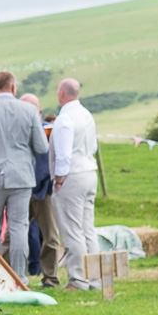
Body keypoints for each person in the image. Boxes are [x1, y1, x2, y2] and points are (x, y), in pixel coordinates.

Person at [0, 71, 49, 279]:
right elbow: (42, 146)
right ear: (14, 87)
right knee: (18, 228)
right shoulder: (29, 110)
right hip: (21, 176)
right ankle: (20, 278)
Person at [50, 78, 100, 290]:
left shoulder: (65, 118)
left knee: (71, 230)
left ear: (62, 93)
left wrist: (59, 178)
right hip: (90, 171)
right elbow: (95, 146)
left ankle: (78, 279)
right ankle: (95, 278)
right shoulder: (87, 115)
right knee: (88, 228)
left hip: (72, 175)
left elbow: (63, 153)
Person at [19, 94, 61, 289]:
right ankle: (7, 276)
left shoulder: (49, 130)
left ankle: (51, 278)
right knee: (13, 235)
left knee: (50, 236)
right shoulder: (15, 129)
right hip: (19, 189)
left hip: (44, 188)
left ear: (38, 109)